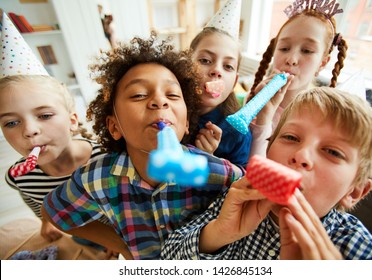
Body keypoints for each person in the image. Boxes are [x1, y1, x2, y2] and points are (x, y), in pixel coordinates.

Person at [41, 33, 244, 260]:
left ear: (186, 123)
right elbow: (53, 212)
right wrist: (120, 246)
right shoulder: (95, 179)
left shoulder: (220, 175)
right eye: (138, 94)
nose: (160, 101)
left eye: (172, 95)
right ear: (114, 126)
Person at [161, 87, 372, 260]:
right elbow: (168, 257)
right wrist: (218, 233)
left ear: (355, 190)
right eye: (291, 137)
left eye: (332, 152)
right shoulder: (239, 198)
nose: (301, 156)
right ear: (269, 151)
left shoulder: (357, 250)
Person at [0, 13, 106, 247]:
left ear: (72, 120)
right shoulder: (20, 177)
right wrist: (45, 220)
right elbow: (35, 202)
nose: (29, 131)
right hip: (81, 235)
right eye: (11, 122)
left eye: (44, 115)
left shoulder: (108, 159)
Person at [249, 0, 348, 157]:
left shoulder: (321, 117)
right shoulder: (255, 102)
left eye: (307, 50)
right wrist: (263, 118)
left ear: (322, 63)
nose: (292, 59)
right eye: (284, 48)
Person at [189, 0, 252, 166]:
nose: (217, 71)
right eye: (205, 60)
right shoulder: (168, 109)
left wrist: (211, 161)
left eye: (228, 66)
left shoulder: (237, 132)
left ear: (234, 83)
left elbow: (240, 184)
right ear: (185, 65)